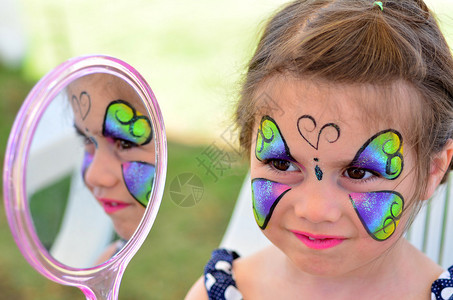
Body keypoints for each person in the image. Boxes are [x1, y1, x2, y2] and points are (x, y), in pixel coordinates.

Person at [186, 0, 453, 299]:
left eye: (358, 172)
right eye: (282, 164)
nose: (314, 210)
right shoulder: (218, 293)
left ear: (433, 168)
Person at [68, 73, 155, 262]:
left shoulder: (223, 285)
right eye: (87, 140)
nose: (93, 176)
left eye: (125, 144)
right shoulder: (109, 260)